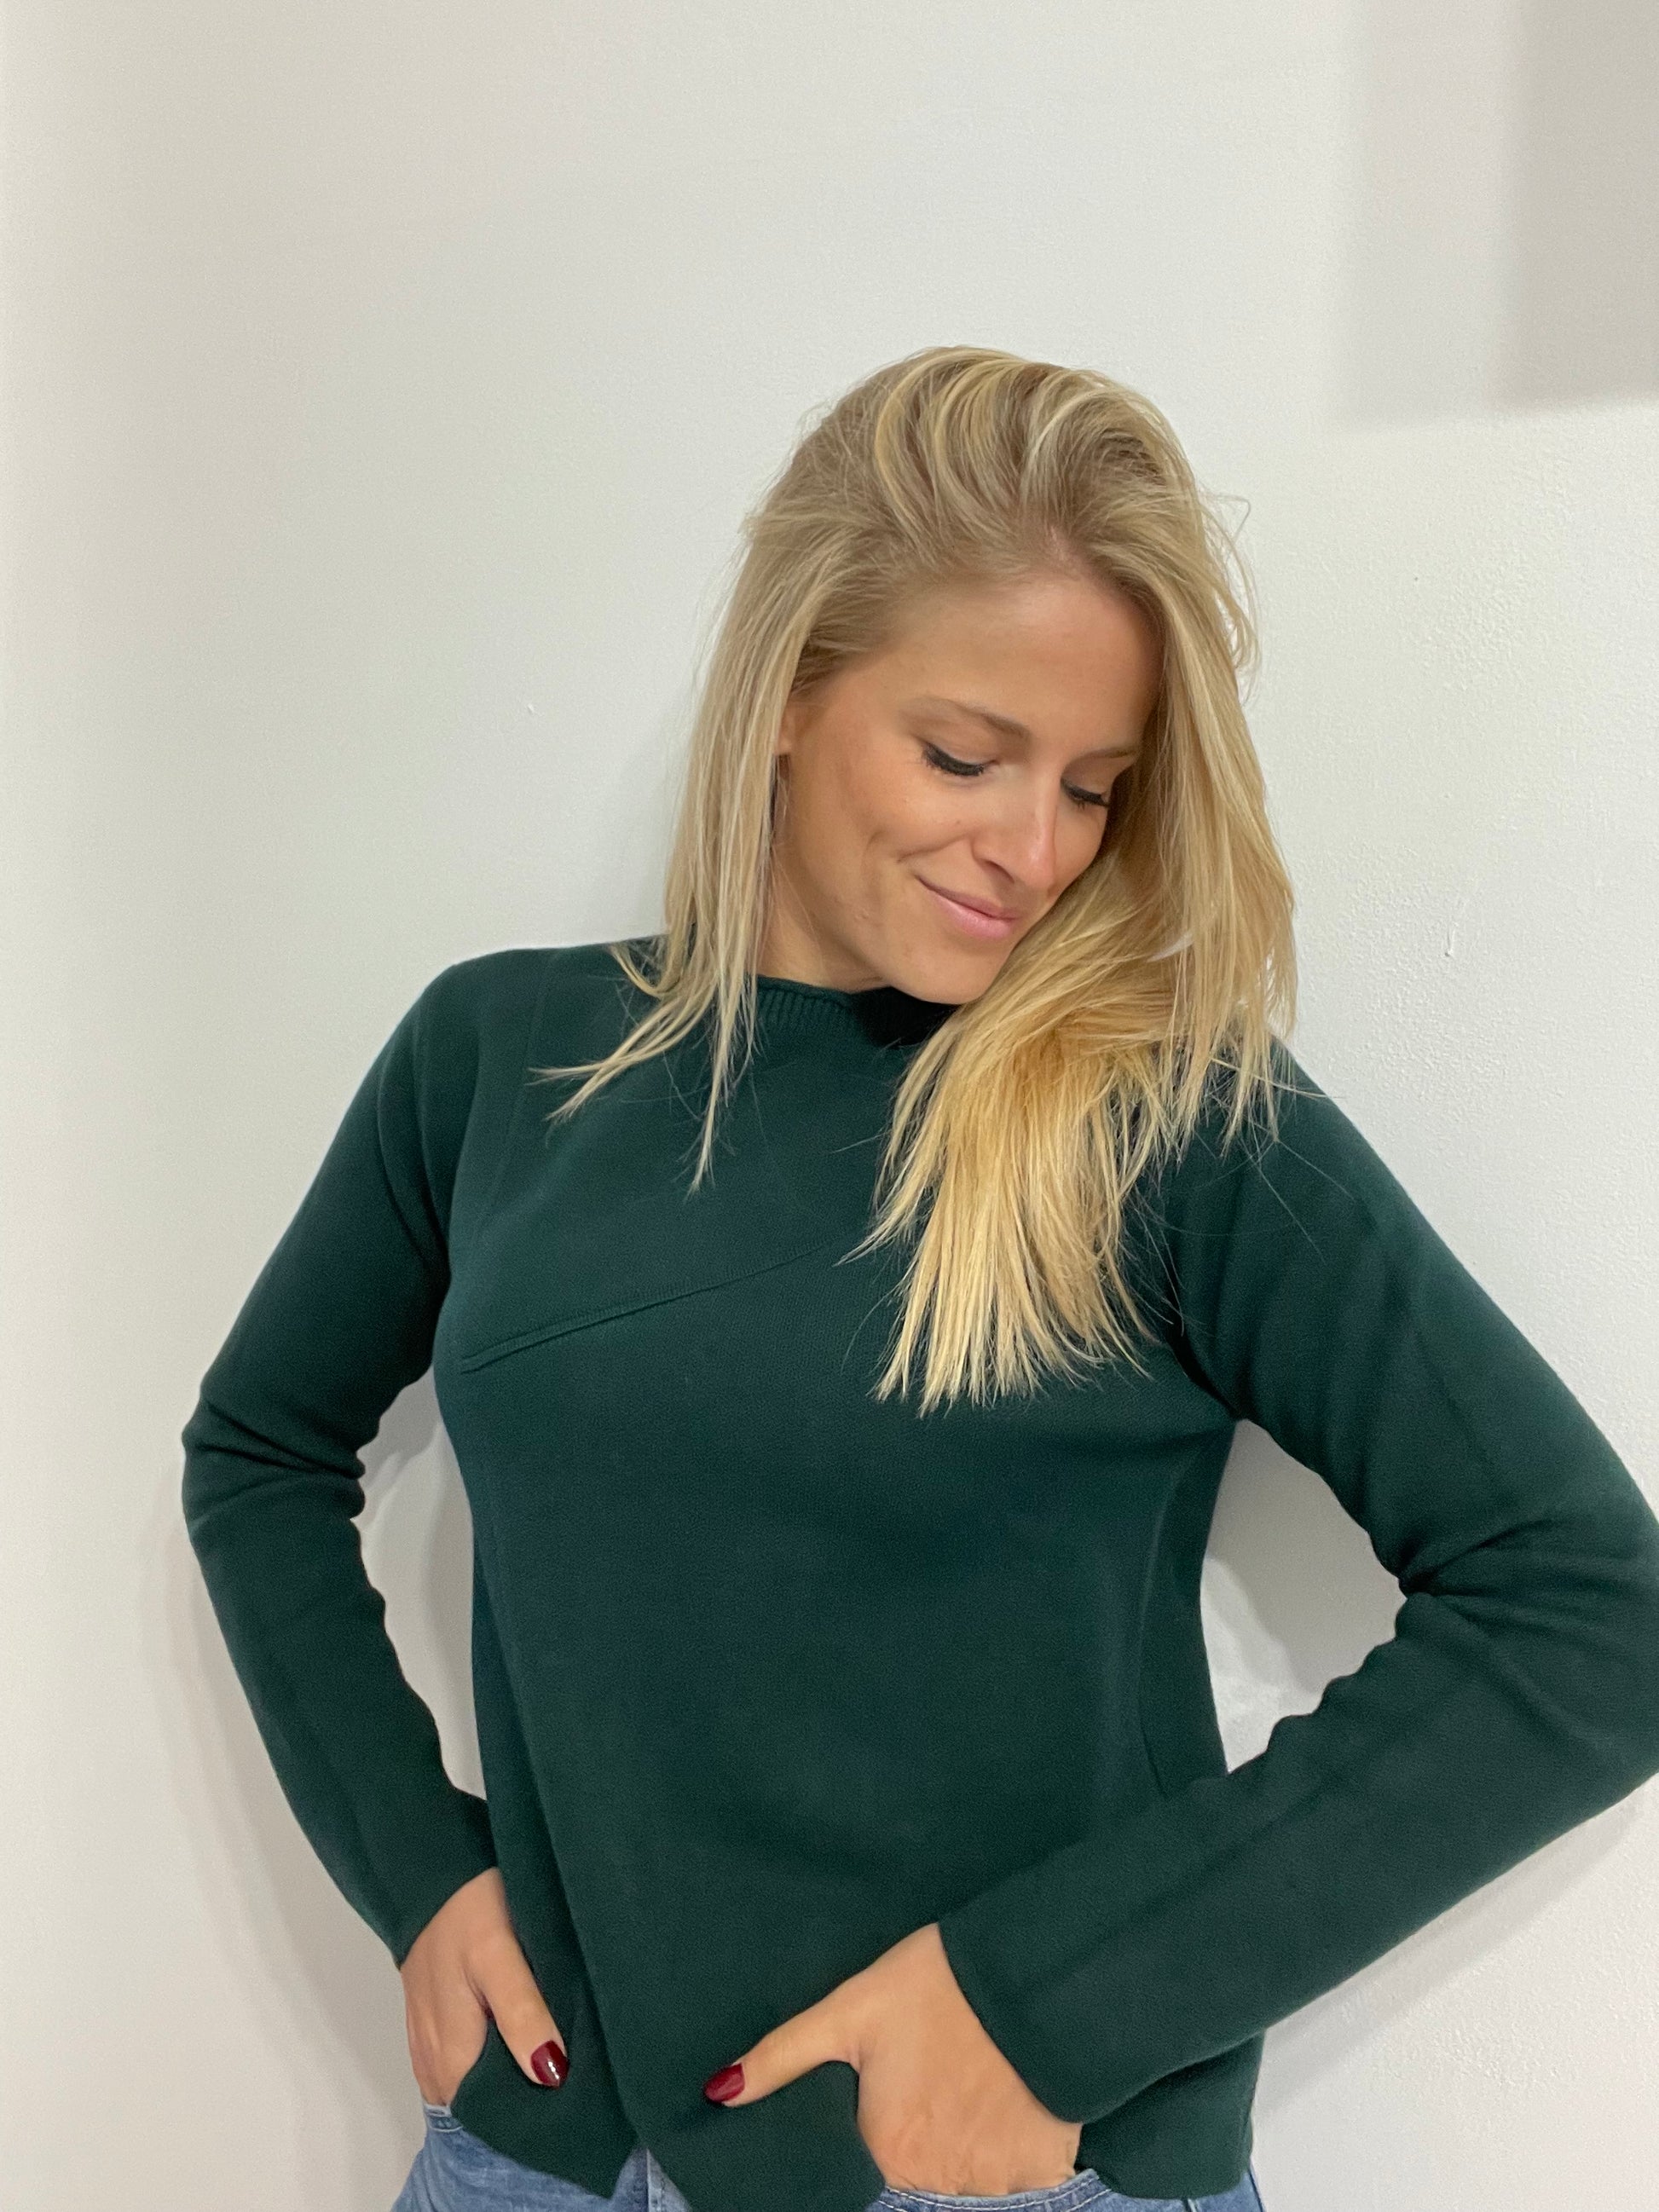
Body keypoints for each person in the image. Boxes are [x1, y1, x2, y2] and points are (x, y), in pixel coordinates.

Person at [180, 344, 1659, 2212]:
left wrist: (1050, 2010)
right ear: (791, 692)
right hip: (541, 2155)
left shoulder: (1167, 1117)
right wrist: (415, 1868)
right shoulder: (496, 1060)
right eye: (964, 756)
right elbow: (256, 1450)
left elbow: (1590, 1614)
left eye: (1096, 788)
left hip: (994, 2178)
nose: (1032, 852)